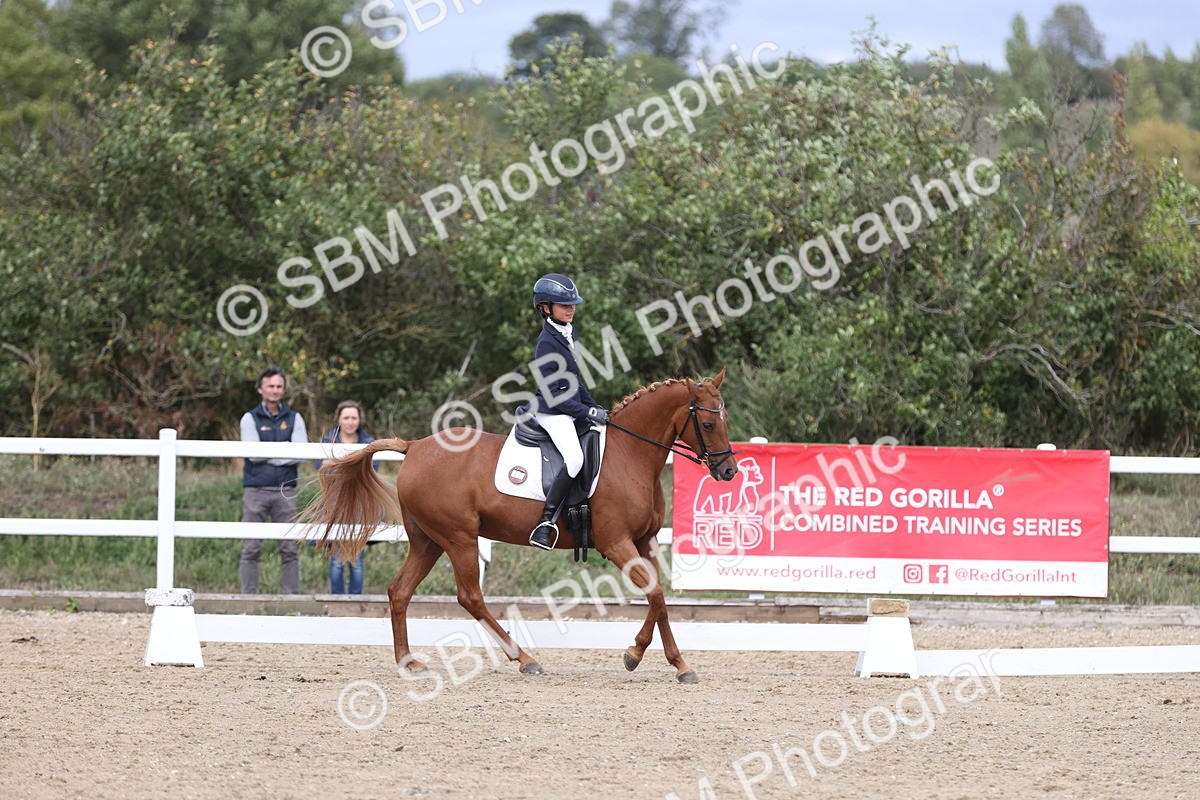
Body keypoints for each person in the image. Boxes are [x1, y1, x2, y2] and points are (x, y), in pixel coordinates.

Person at [518, 273, 609, 550]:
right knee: (574, 458)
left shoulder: (569, 332)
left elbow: (574, 382)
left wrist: (594, 406)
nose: (571, 309)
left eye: (573, 305)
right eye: (564, 305)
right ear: (546, 308)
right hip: (552, 411)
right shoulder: (546, 342)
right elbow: (554, 395)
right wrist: (586, 413)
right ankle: (545, 523)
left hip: (569, 407)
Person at [239, 367, 308, 594]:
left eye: (279, 386)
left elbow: (301, 454)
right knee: (251, 547)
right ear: (260, 389)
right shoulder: (249, 418)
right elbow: (253, 455)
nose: (275, 390)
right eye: (270, 386)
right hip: (255, 490)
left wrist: (270, 453)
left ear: (284, 390)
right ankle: (248, 600)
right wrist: (285, 451)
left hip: (286, 490)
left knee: (289, 548)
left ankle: (291, 601)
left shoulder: (295, 418)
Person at [315, 400, 375, 595]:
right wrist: (352, 465)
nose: (350, 422)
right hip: (334, 502)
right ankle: (337, 599)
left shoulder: (369, 442)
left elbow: (371, 470)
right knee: (337, 559)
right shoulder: (328, 441)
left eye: (354, 418)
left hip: (359, 502)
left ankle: (356, 600)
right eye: (346, 417)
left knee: (357, 558)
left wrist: (337, 463)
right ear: (339, 419)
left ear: (359, 420)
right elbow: (322, 468)